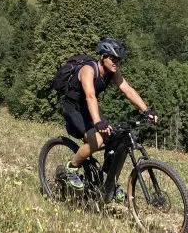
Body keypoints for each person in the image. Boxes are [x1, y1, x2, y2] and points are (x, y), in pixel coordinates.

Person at [61, 37, 157, 199]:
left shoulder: (112, 73)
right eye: (112, 59)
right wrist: (98, 122)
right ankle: (71, 167)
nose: (116, 63)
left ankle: (109, 183)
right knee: (97, 141)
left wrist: (146, 110)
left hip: (90, 108)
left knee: (116, 140)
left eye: (118, 60)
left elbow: (128, 90)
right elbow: (90, 96)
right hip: (74, 108)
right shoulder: (88, 70)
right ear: (102, 57)